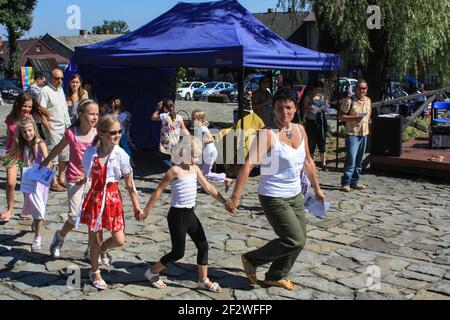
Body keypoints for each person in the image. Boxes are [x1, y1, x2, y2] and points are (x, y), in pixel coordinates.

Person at [226, 88, 325, 291]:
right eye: (279, 108)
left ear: (295, 109)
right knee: (293, 239)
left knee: (300, 240)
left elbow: (308, 162)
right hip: (273, 196)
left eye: (288, 107)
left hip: (296, 195)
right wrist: (236, 196)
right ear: (274, 110)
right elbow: (248, 165)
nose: (284, 112)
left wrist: (317, 189)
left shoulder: (300, 130)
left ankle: (275, 275)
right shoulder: (267, 134)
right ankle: (252, 259)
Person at [138, 136, 228, 292]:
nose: (196, 160)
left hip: (191, 215)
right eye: (193, 156)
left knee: (203, 246)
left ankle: (203, 280)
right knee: (178, 252)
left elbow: (208, 188)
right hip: (177, 216)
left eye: (198, 157)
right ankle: (152, 272)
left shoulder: (195, 169)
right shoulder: (174, 171)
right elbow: (158, 191)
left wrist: (225, 202)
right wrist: (146, 210)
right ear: (182, 152)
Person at [76, 115, 142, 290]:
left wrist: (136, 206)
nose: (117, 135)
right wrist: (81, 179)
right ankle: (94, 270)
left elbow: (129, 183)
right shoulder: (91, 152)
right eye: (113, 132)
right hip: (95, 199)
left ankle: (103, 250)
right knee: (94, 240)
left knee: (119, 240)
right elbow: (86, 174)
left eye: (119, 131)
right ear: (102, 133)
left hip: (112, 199)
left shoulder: (121, 155)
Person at [40, 99, 99, 259]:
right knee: (74, 216)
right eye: (91, 113)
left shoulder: (98, 134)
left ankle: (90, 250)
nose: (95, 117)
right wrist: (46, 161)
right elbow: (59, 147)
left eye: (97, 114)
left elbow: (103, 156)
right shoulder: (71, 133)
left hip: (93, 180)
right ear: (80, 114)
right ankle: (59, 237)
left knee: (93, 216)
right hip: (74, 179)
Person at [0, 93, 50, 222]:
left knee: (25, 183)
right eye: (24, 106)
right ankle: (10, 209)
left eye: (29, 107)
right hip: (12, 155)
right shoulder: (10, 118)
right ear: (18, 104)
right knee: (11, 183)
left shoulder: (29, 118)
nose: (27, 109)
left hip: (26, 155)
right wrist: (4, 151)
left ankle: (26, 209)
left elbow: (34, 135)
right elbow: (8, 135)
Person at [8, 116, 50, 251]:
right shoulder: (23, 145)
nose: (28, 134)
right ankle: (36, 221)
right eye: (25, 132)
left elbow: (48, 160)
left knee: (38, 207)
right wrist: (22, 167)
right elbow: (21, 161)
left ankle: (37, 238)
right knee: (31, 203)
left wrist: (43, 169)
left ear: (34, 129)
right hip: (27, 179)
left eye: (30, 130)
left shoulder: (40, 143)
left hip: (40, 180)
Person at [39, 68, 71, 192]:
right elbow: (41, 112)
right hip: (53, 128)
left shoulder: (60, 90)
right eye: (57, 78)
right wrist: (49, 129)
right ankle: (52, 182)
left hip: (64, 127)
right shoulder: (45, 91)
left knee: (64, 156)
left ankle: (61, 179)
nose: (60, 80)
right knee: (53, 158)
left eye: (61, 78)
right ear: (50, 78)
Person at [338, 79, 371, 192]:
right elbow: (340, 116)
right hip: (352, 133)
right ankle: (346, 182)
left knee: (359, 159)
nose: (362, 91)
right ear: (356, 89)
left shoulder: (368, 100)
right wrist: (354, 118)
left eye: (364, 88)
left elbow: (368, 115)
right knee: (351, 159)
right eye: (360, 88)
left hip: (364, 133)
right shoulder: (349, 100)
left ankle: (355, 181)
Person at [191, 110, 234, 191]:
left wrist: (199, 142)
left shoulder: (202, 128)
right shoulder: (198, 128)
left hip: (209, 152)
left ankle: (226, 179)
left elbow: (211, 139)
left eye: (194, 119)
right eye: (192, 118)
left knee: (206, 174)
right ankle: (204, 187)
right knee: (198, 171)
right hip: (205, 153)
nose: (192, 120)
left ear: (200, 120)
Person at [151, 99, 189, 169]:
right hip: (175, 142)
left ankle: (175, 171)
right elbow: (183, 128)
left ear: (165, 108)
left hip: (166, 142)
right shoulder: (179, 117)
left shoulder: (164, 116)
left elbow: (153, 117)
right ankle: (176, 170)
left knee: (164, 158)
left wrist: (157, 109)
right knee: (171, 158)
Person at [302, 80, 329, 171]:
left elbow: (326, 107)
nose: (318, 91)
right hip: (311, 121)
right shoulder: (308, 97)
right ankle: (311, 162)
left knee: (322, 141)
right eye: (317, 88)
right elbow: (303, 111)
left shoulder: (322, 97)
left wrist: (325, 107)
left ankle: (323, 164)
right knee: (311, 142)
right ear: (313, 88)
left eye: (320, 89)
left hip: (321, 121)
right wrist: (309, 109)